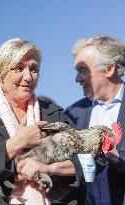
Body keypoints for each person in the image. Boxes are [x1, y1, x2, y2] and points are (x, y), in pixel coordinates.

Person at [0, 38, 82, 205]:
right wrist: (17, 142)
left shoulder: (53, 113)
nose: (28, 77)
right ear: (1, 74)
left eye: (34, 69)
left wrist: (49, 168)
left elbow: (90, 159)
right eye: (18, 68)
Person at [65, 35, 125, 205]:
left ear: (109, 69)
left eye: (83, 70)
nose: (77, 79)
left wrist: (118, 158)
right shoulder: (72, 114)